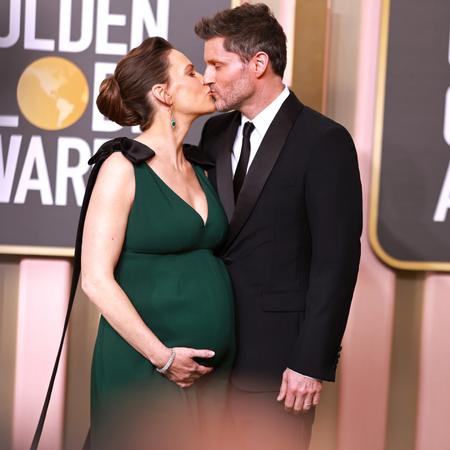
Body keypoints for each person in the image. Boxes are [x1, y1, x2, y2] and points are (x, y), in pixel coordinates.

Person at [195, 3, 363, 449]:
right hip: (210, 357)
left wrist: (311, 362)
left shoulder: (324, 141)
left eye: (216, 64)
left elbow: (337, 262)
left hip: (280, 365)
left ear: (258, 63)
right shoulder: (213, 134)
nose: (207, 76)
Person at [80, 36, 235, 450]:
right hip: (147, 369)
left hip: (207, 376)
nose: (205, 79)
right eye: (190, 72)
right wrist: (163, 357)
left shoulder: (202, 165)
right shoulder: (121, 167)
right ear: (163, 93)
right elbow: (94, 279)